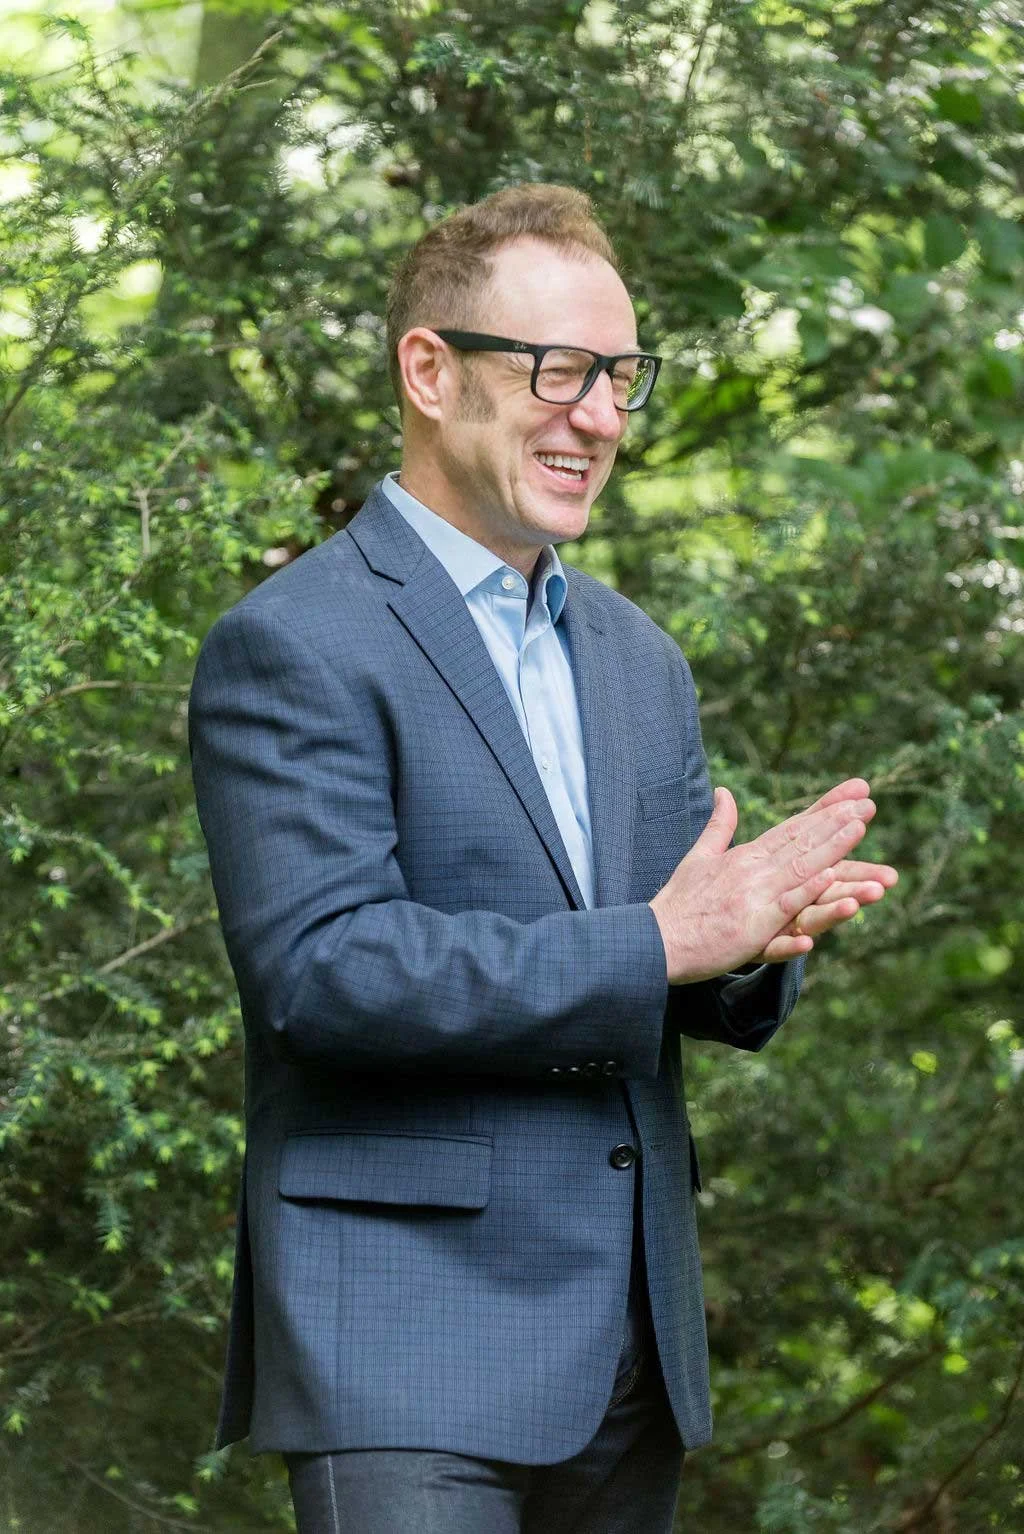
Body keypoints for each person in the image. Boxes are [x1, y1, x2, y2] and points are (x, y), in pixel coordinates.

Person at [189, 183, 897, 1534]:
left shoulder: (640, 659)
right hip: (403, 1347)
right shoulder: (296, 643)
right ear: (430, 370)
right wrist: (666, 939)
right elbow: (326, 972)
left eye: (623, 375)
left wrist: (752, 942)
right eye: (562, 371)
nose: (604, 416)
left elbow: (669, 951)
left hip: (629, 1354)